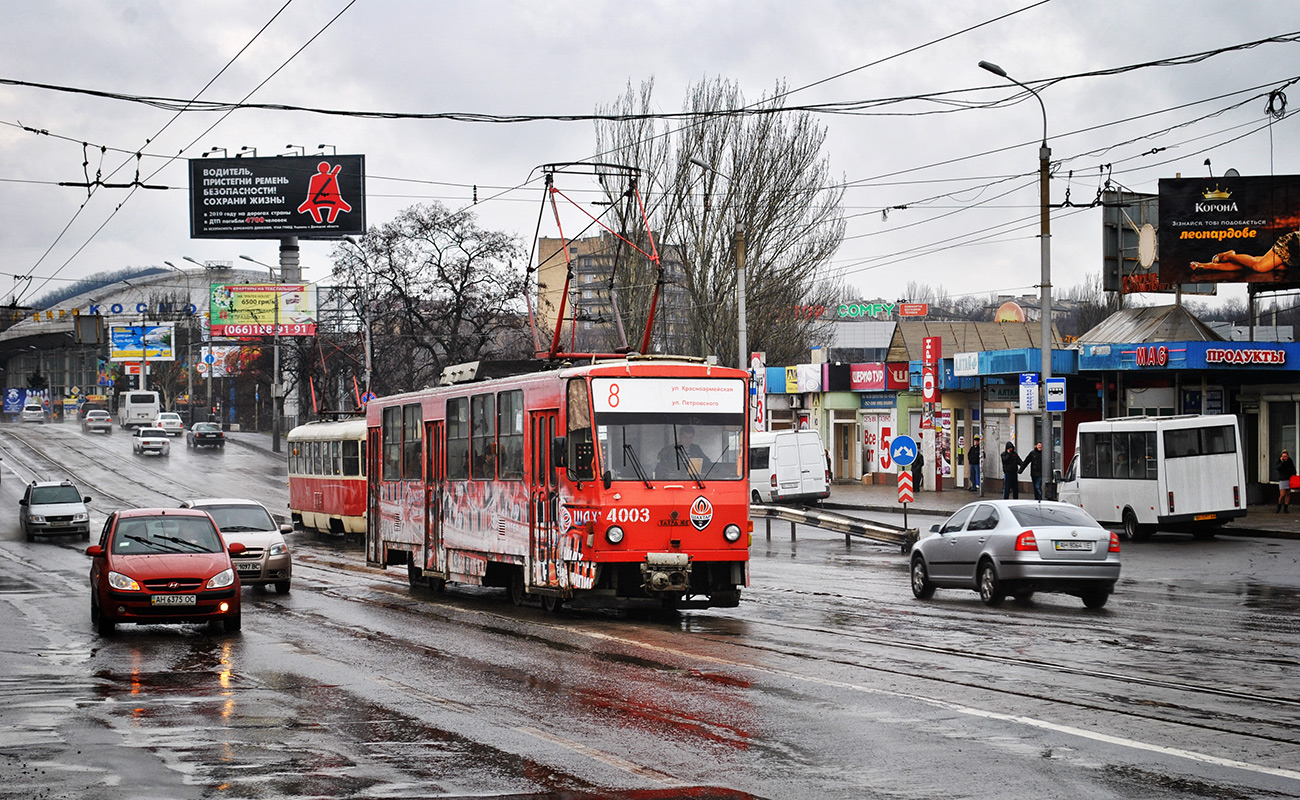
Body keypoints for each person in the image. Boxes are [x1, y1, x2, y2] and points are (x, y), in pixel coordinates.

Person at [1189, 230, 1297, 273]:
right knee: (1260, 267)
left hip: (1296, 256)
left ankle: (1204, 265)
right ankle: (1230, 256)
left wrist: (1200, 265)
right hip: (1293, 245)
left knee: (1247, 266)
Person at [1276, 449, 1296, 513]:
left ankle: (1286, 508)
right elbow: (1278, 468)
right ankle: (1279, 507)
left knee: (1288, 493)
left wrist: (1293, 473)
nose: (1284, 458)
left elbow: (1293, 468)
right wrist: (1282, 462)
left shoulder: (1290, 461)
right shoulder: (1279, 461)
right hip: (1282, 479)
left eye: (1286, 456)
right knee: (1282, 494)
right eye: (1283, 456)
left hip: (1289, 478)